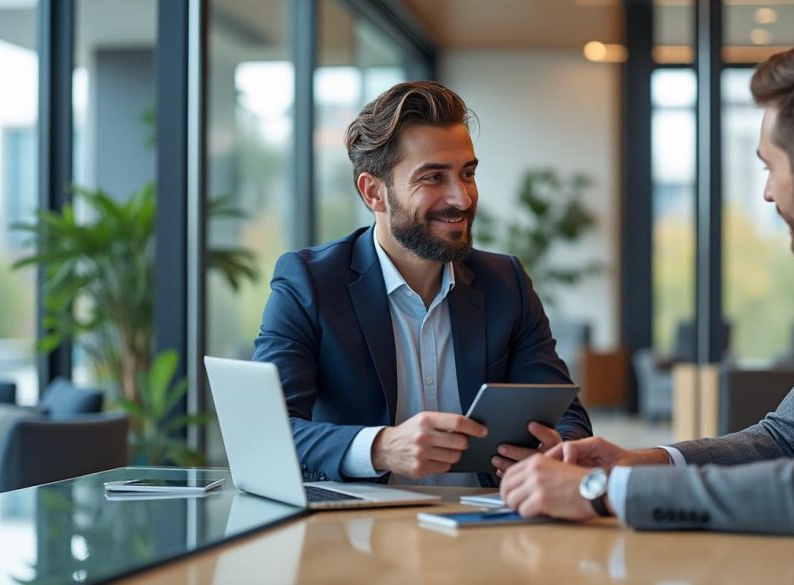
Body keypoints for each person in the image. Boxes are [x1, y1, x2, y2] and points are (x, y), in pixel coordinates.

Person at [500, 32, 794, 585]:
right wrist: (640, 462)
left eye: (769, 166)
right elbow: (786, 438)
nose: (768, 193)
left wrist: (605, 492)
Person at [251, 81, 592, 489]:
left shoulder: (507, 284)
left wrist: (553, 450)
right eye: (432, 177)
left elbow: (566, 414)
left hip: (489, 533)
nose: (462, 199)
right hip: (358, 540)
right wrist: (380, 448)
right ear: (373, 192)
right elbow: (266, 432)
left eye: (467, 173)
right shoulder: (309, 283)